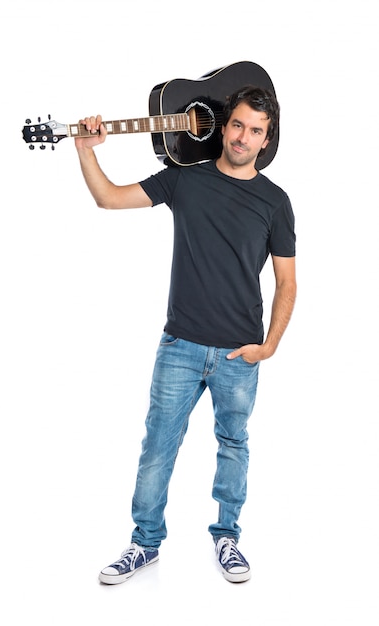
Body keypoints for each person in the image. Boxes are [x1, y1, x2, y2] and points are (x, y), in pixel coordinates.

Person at [74, 85, 297, 585]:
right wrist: (86, 153)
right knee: (158, 446)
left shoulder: (276, 202)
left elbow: (288, 282)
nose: (243, 137)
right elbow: (108, 199)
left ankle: (227, 538)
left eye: (255, 130)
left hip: (241, 352)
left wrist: (270, 345)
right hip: (180, 345)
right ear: (224, 126)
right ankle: (144, 543)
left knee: (233, 444)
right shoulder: (184, 181)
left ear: (266, 139)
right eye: (237, 124)